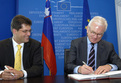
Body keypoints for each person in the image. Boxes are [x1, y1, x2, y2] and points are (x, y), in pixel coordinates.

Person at [0, 15, 43, 80]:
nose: (28, 34)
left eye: (29, 31)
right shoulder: (1, 46)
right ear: (14, 31)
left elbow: (38, 68)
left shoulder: (35, 45)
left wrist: (21, 73)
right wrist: (1, 74)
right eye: (25, 31)